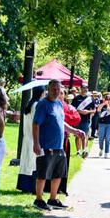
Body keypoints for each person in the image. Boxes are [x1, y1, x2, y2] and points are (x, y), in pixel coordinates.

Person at [32, 79, 85, 210]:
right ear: (48, 90)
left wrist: (74, 130)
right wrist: (36, 144)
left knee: (58, 173)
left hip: (59, 145)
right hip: (46, 145)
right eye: (53, 89)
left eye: (58, 90)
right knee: (43, 173)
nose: (56, 92)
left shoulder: (59, 104)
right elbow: (36, 124)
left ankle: (53, 199)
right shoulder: (42, 104)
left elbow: (61, 122)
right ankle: (38, 200)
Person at [16, 85, 45, 193]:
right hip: (33, 136)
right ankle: (31, 186)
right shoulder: (37, 105)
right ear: (41, 94)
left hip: (27, 136)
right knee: (33, 163)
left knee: (26, 162)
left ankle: (25, 185)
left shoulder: (29, 104)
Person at [71, 83, 95, 158]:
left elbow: (94, 110)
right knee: (77, 135)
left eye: (87, 88)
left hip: (86, 119)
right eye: (84, 88)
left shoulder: (90, 99)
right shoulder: (76, 98)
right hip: (77, 119)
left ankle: (84, 150)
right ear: (81, 89)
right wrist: (79, 111)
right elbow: (72, 109)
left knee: (85, 134)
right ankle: (78, 151)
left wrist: (88, 112)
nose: (85, 89)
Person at [98, 94, 110, 158]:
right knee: (101, 137)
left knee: (107, 138)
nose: (108, 101)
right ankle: (101, 148)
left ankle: (106, 152)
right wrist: (103, 104)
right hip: (102, 124)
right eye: (107, 99)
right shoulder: (103, 106)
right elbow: (98, 110)